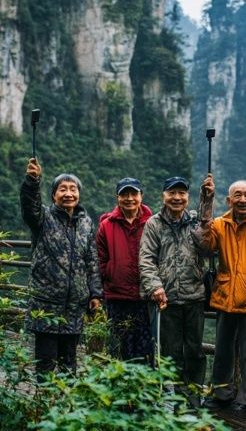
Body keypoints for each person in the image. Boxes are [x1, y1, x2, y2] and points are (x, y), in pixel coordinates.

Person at [196, 175, 246, 417]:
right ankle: (220, 393)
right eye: (237, 196)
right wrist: (206, 206)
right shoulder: (220, 224)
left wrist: (243, 290)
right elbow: (206, 245)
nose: (242, 200)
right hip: (224, 298)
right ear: (229, 199)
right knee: (222, 350)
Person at [20, 158, 102, 377]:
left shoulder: (85, 222)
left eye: (73, 189)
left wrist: (95, 293)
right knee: (45, 365)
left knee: (69, 365)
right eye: (62, 189)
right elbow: (29, 206)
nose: (68, 193)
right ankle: (44, 408)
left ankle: (66, 408)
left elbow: (91, 260)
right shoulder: (43, 218)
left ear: (79, 194)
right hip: (47, 304)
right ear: (53, 194)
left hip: (75, 305)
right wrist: (32, 181)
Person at [139, 176, 207, 407]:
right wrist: (155, 286)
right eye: (172, 193)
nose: (177, 198)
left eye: (182, 193)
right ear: (164, 195)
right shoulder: (154, 224)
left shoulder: (198, 222)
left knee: (195, 352)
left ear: (188, 196)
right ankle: (179, 398)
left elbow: (210, 248)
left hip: (194, 296)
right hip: (165, 299)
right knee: (172, 353)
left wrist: (207, 202)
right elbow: (146, 259)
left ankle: (194, 398)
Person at [96, 177, 154, 363]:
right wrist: (110, 276)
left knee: (145, 349)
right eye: (124, 194)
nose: (129, 198)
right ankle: (119, 389)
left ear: (141, 196)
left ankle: (145, 390)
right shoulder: (107, 225)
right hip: (117, 297)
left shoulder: (152, 223)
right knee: (119, 347)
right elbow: (100, 259)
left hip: (144, 297)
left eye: (133, 193)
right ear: (117, 197)